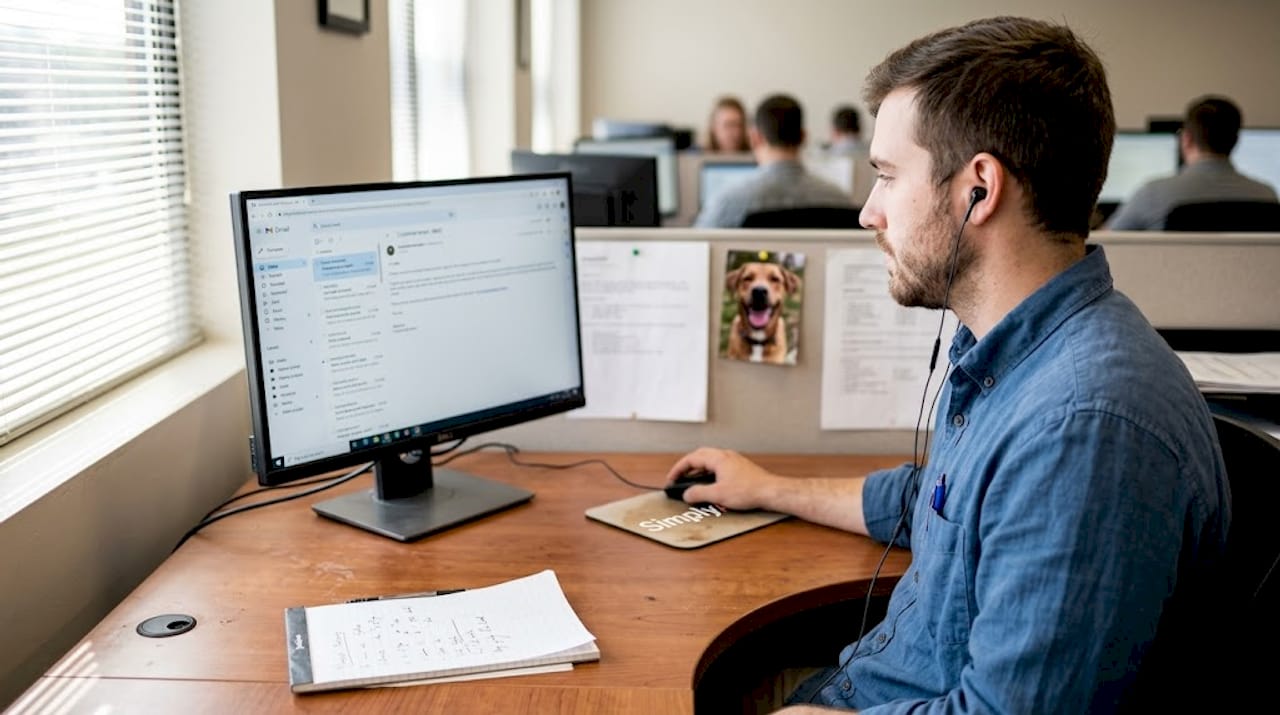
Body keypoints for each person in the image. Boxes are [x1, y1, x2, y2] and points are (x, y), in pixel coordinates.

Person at [668, 16, 1229, 714]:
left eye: (887, 176)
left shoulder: (1083, 427)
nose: (868, 213)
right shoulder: (1013, 355)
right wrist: (769, 486)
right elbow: (935, 498)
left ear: (978, 189)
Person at [1106, 96, 1278, 229]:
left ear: (1186, 139)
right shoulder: (1268, 196)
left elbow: (1109, 241)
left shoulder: (1153, 193)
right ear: (1235, 141)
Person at [694, 94, 853, 228]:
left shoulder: (727, 202)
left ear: (755, 138)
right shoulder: (840, 200)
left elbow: (697, 246)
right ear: (803, 137)